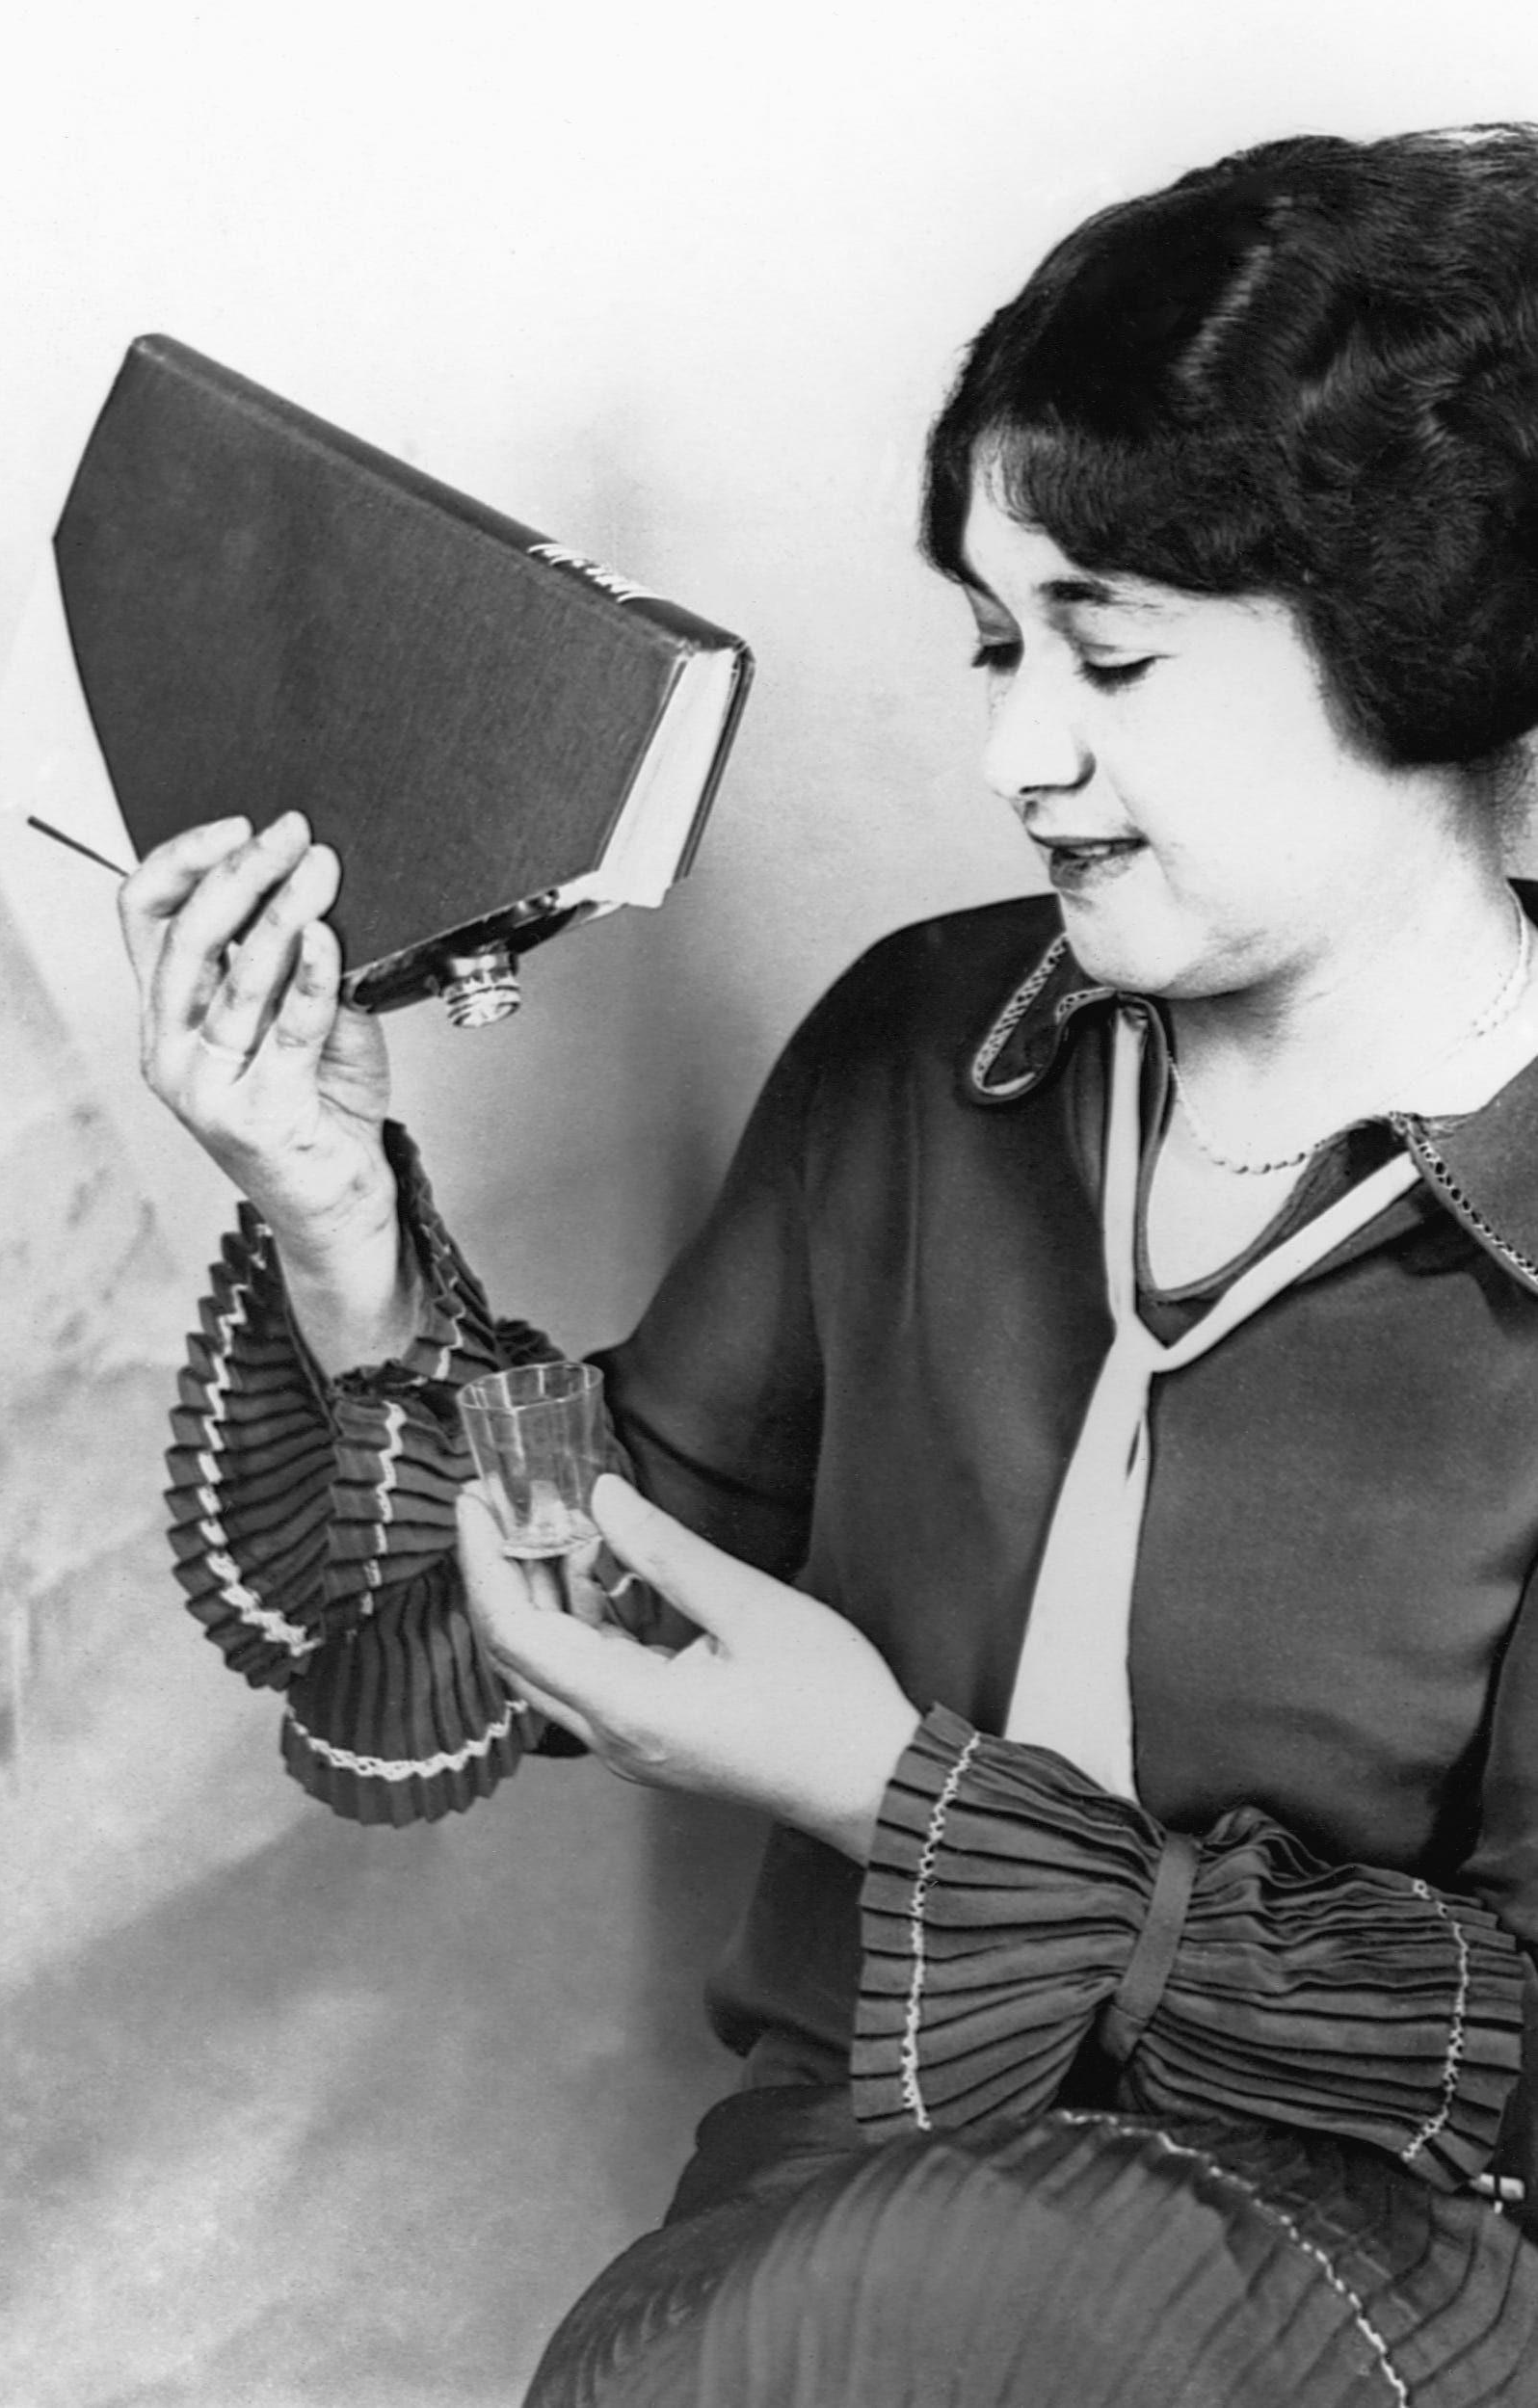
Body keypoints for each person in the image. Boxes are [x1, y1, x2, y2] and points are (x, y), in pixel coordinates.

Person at [122, 128, 1538, 2406]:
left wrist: (892, 1790)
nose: (1010, 749)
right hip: (843, 2185)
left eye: (1107, 652)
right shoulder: (919, 1052)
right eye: (992, 643)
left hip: (1368, 2270)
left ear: (1419, 624)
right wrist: (330, 1207)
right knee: (779, 2317)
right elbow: (546, 1597)